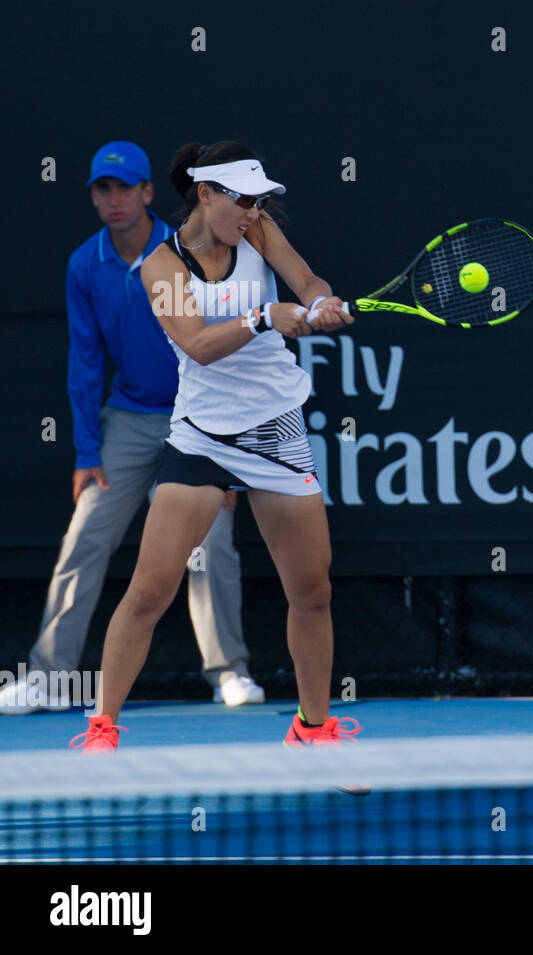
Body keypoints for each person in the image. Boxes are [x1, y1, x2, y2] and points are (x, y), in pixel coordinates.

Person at [70, 141, 357, 751]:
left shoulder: (258, 232)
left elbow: (306, 278)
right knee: (150, 589)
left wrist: (318, 301)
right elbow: (197, 345)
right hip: (202, 437)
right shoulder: (159, 267)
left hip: (276, 427)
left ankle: (313, 729)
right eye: (243, 200)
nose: (253, 211)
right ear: (205, 194)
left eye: (260, 201)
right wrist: (263, 317)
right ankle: (101, 730)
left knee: (312, 591)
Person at [0, 141, 262, 717]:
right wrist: (85, 451)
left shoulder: (187, 254)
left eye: (126, 188)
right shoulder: (83, 266)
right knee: (85, 536)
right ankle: (47, 677)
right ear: (95, 198)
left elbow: (226, 347)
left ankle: (229, 672)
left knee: (209, 543)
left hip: (196, 418)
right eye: (103, 189)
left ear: (148, 194)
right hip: (127, 420)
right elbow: (85, 361)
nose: (114, 199)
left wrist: (228, 456)